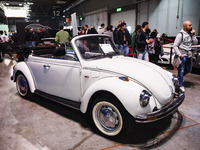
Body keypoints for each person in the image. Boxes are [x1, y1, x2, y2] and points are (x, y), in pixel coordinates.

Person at [173, 20, 198, 92]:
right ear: (185, 26)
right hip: (182, 54)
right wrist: (180, 55)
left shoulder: (191, 34)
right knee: (181, 71)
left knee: (189, 69)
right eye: (189, 25)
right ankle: (181, 85)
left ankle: (177, 79)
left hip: (189, 55)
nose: (191, 26)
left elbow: (195, 42)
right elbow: (175, 46)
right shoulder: (180, 34)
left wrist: (193, 35)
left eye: (191, 25)